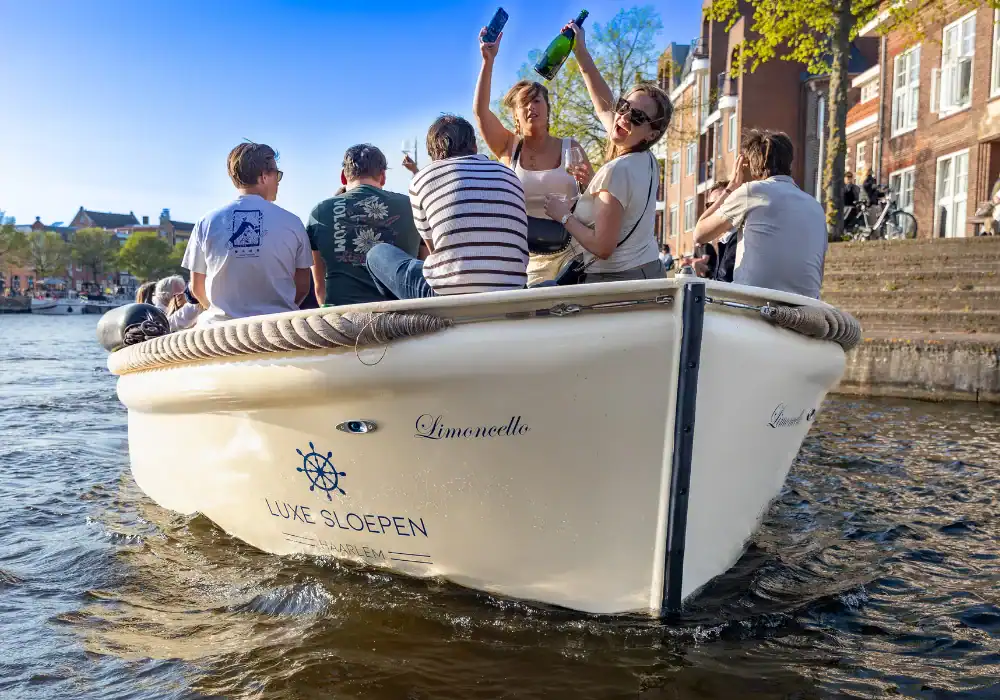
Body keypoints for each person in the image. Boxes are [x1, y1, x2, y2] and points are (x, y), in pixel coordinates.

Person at [542, 20, 671, 283]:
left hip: (616, 283)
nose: (623, 117)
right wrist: (580, 51)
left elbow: (603, 247)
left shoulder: (617, 169)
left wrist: (562, 215)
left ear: (652, 134)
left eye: (636, 117)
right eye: (623, 107)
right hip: (649, 274)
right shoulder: (646, 160)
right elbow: (603, 104)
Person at [474, 27, 593, 285]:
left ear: (548, 109)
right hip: (527, 257)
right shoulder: (508, 147)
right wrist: (488, 61)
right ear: (515, 115)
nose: (531, 107)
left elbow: (594, 197)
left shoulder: (571, 147)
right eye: (523, 103)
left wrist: (588, 182)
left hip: (573, 252)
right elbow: (481, 112)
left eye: (537, 101)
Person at [366, 114, 528, 298]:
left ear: (432, 154)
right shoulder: (509, 174)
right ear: (474, 146)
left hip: (447, 295)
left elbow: (434, 250)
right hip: (513, 290)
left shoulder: (422, 179)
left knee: (376, 254)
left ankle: (405, 323)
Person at [182, 142, 312, 324]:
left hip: (219, 333)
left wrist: (222, 311)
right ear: (264, 176)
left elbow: (197, 287)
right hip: (278, 330)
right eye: (278, 175)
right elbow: (303, 285)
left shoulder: (206, 222)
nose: (279, 181)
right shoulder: (292, 222)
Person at [692, 130, 827, 299]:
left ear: (752, 166)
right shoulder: (815, 207)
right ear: (789, 164)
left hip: (754, 305)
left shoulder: (750, 192)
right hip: (805, 308)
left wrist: (731, 187)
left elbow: (699, 235)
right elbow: (818, 272)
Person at [307, 144, 422, 306]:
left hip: (341, 318)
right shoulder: (412, 206)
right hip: (404, 319)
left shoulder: (320, 211)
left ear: (343, 177)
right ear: (382, 176)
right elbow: (425, 269)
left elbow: (319, 287)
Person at [705, 180, 737, 283]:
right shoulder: (725, 239)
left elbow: (724, 283)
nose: (715, 209)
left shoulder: (738, 237)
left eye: (721, 202)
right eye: (710, 205)